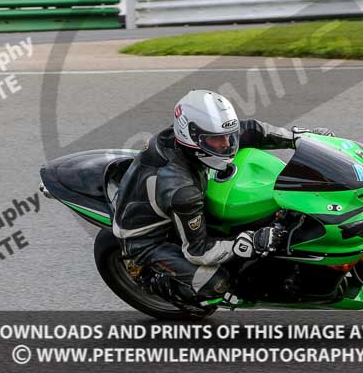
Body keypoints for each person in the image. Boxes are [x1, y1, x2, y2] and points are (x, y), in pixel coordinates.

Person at [112, 89, 332, 309]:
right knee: (216, 284)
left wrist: (298, 138)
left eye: (229, 135)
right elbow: (198, 251)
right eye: (217, 140)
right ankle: (152, 281)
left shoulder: (203, 136)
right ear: (192, 137)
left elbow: (252, 130)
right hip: (146, 239)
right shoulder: (181, 189)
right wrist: (248, 243)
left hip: (171, 202)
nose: (227, 144)